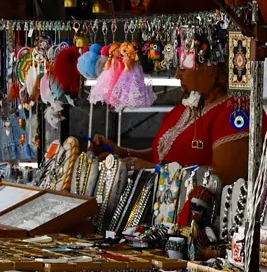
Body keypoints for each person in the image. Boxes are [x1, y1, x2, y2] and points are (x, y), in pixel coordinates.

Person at [92, 61, 250, 183]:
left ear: (210, 70)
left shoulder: (235, 111)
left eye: (183, 68)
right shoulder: (187, 107)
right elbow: (163, 154)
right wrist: (122, 152)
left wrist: (157, 170)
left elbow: (225, 175)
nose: (177, 76)